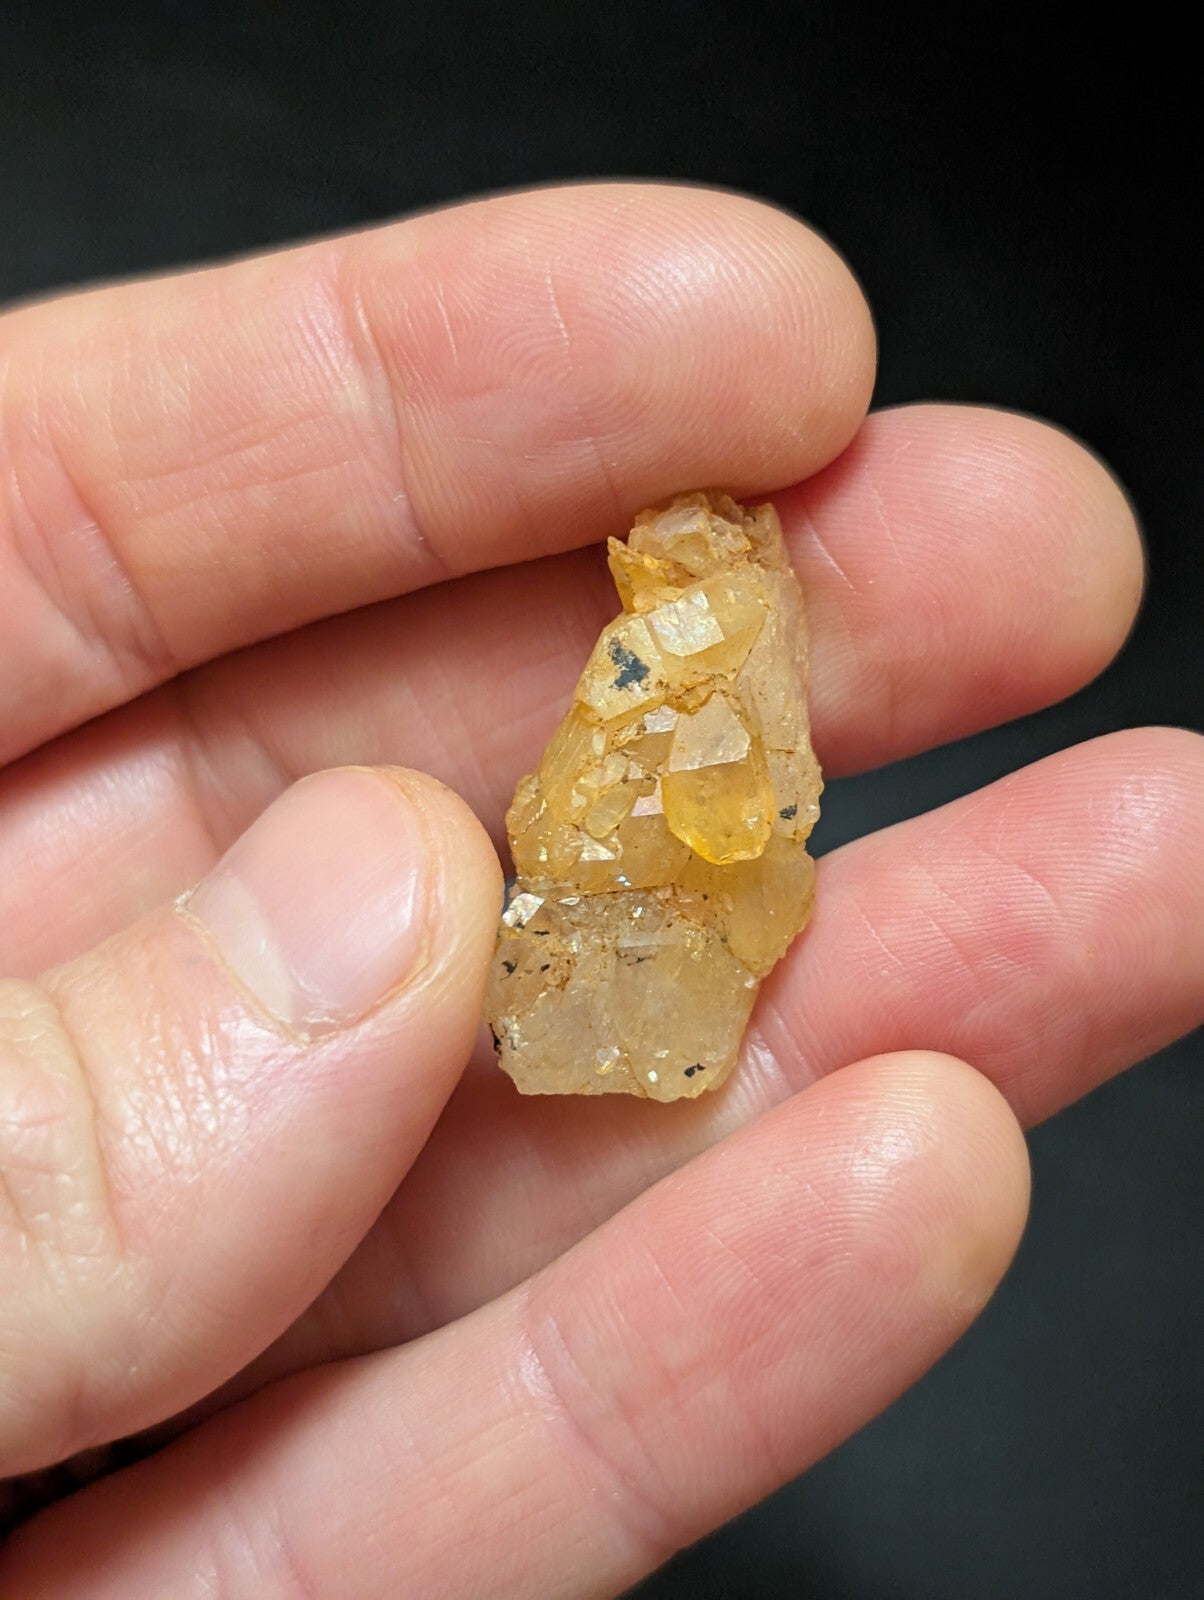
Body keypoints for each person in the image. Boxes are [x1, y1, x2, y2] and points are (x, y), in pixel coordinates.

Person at [0, 182, 1198, 1598]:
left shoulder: (709, 659)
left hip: (650, 946)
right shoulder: (661, 668)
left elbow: (688, 816)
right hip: (607, 946)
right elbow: (574, 808)